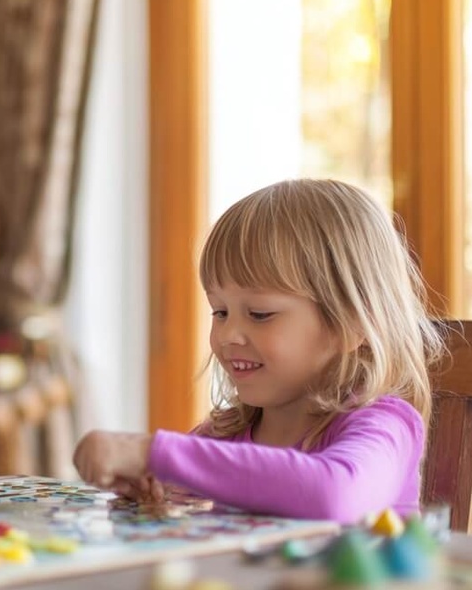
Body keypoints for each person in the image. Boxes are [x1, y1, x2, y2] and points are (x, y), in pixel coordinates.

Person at [73, 179, 445, 523]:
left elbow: (334, 497)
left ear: (351, 324)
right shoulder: (221, 436)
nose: (229, 334)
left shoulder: (382, 425)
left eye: (260, 314)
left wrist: (150, 452)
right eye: (219, 311)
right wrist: (149, 495)